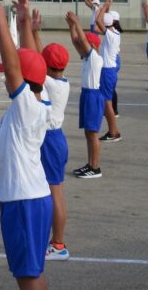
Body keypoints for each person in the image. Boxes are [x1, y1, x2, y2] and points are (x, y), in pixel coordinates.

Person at [0, 0, 52, 289]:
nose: (4, 79)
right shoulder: (40, 99)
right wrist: (24, 23)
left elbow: (16, 69)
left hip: (23, 200)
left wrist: (2, 23)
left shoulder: (25, 107)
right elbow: (31, 62)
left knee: (27, 277)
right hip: (29, 197)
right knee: (33, 272)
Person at [29, 8, 72, 262]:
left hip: (51, 140)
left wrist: (32, 31)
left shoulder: (48, 83)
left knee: (55, 193)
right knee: (53, 191)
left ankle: (58, 244)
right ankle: (53, 241)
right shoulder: (61, 80)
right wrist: (35, 30)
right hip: (57, 139)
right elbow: (41, 57)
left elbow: (36, 57)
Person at [66, 12, 104, 180]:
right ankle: (90, 164)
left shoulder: (95, 57)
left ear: (92, 46)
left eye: (86, 44)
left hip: (93, 97)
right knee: (88, 133)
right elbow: (77, 41)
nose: (80, 47)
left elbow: (81, 41)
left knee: (93, 133)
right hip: (87, 96)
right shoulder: (87, 58)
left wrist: (78, 23)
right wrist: (71, 26)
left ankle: (95, 167)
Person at [95, 0, 121, 142]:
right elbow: (98, 27)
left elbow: (98, 22)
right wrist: (107, 9)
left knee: (107, 104)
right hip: (110, 71)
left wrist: (104, 7)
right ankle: (114, 130)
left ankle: (113, 132)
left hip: (107, 71)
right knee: (107, 103)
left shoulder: (110, 35)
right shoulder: (115, 33)